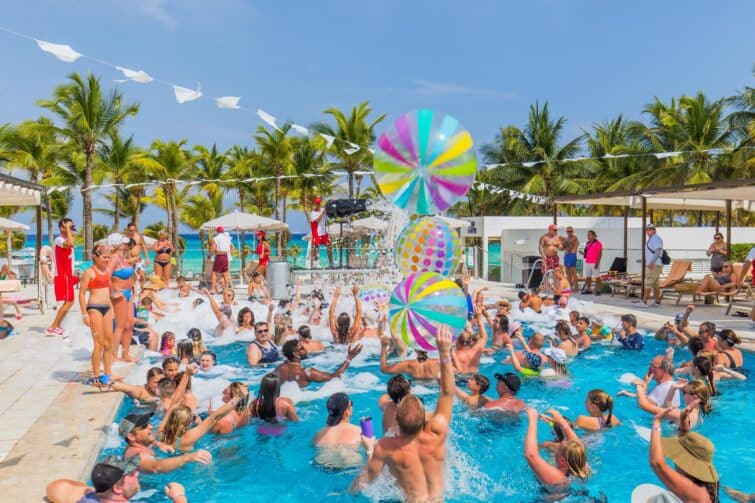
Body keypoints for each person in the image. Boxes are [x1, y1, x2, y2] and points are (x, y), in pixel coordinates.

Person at [350, 325, 455, 502]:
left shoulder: (386, 447)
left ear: (396, 421)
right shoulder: (437, 433)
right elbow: (447, 393)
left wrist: (370, 450)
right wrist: (445, 353)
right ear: (425, 419)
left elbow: (365, 481)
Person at [649, 409, 719, 502]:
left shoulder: (690, 489)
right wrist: (683, 420)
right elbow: (685, 438)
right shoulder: (710, 486)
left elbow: (657, 462)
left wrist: (656, 423)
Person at [120, 412, 212, 472]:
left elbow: (152, 443)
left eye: (149, 423)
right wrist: (187, 458)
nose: (151, 427)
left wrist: (158, 444)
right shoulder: (134, 455)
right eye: (144, 427)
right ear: (131, 436)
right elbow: (155, 467)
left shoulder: (142, 443)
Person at [524, 407, 589, 488]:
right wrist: (562, 422)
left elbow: (530, 455)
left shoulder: (558, 479)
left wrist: (532, 421)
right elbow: (578, 444)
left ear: (562, 460)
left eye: (557, 449)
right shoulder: (583, 468)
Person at [78, 244, 116, 385]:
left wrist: (112, 308)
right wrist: (84, 314)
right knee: (98, 343)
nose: (106, 260)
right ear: (95, 256)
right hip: (94, 308)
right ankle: (96, 375)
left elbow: (107, 291)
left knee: (108, 343)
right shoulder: (89, 272)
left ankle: (108, 373)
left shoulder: (106, 271)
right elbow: (81, 294)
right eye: (104, 257)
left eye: (108, 257)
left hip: (107, 308)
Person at [274, 339, 362, 387]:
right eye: (302, 348)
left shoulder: (278, 369)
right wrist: (349, 358)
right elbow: (334, 377)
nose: (306, 350)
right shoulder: (306, 372)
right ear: (296, 354)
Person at [47, 218, 78, 336]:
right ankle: (53, 326)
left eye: (71, 228)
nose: (71, 230)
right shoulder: (59, 239)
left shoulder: (64, 239)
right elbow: (70, 244)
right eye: (68, 227)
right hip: (63, 275)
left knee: (69, 301)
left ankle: (56, 326)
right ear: (62, 228)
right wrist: (68, 230)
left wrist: (68, 230)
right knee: (69, 301)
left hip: (68, 275)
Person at [109, 234, 137, 363]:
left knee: (129, 324)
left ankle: (125, 354)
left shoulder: (122, 257)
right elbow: (106, 276)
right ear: (120, 244)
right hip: (120, 294)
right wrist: (112, 293)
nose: (126, 245)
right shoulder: (114, 258)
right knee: (120, 326)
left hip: (129, 293)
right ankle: (113, 355)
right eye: (124, 243)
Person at [638, 223, 664, 308]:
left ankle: (644, 302)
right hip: (654, 264)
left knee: (648, 282)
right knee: (655, 284)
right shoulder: (652, 239)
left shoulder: (656, 238)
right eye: (647, 229)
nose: (649, 231)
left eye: (651, 229)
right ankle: (657, 302)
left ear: (654, 230)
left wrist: (652, 262)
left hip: (654, 264)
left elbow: (658, 250)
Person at [309, 196, 333, 268]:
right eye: (316, 203)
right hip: (316, 233)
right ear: (314, 204)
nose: (318, 205)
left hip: (324, 232)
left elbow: (329, 214)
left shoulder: (323, 210)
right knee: (316, 248)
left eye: (319, 203)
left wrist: (330, 204)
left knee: (329, 246)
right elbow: (317, 221)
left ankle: (331, 263)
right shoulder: (313, 213)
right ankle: (316, 263)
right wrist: (322, 213)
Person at [210, 226, 234, 293]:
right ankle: (226, 288)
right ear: (223, 231)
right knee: (225, 273)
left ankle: (213, 289)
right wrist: (230, 253)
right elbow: (232, 247)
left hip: (219, 256)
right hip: (226, 256)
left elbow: (213, 249)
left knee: (214, 272)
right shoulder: (227, 238)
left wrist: (210, 255)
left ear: (217, 231)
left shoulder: (216, 238)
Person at [580, 230, 603, 295]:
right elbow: (586, 254)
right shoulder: (587, 243)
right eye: (588, 235)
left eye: (589, 235)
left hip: (595, 262)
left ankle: (598, 290)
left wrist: (597, 263)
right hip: (587, 262)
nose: (588, 236)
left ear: (593, 236)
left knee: (597, 277)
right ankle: (588, 289)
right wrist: (582, 253)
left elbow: (600, 254)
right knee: (588, 277)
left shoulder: (598, 243)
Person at [563, 226, 579, 291]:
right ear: (566, 232)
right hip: (566, 256)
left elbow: (569, 247)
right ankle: (570, 286)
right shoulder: (566, 238)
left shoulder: (575, 238)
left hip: (572, 255)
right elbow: (563, 248)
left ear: (573, 231)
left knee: (573, 272)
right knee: (567, 272)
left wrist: (565, 244)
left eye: (571, 231)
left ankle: (576, 287)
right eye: (568, 231)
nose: (569, 232)